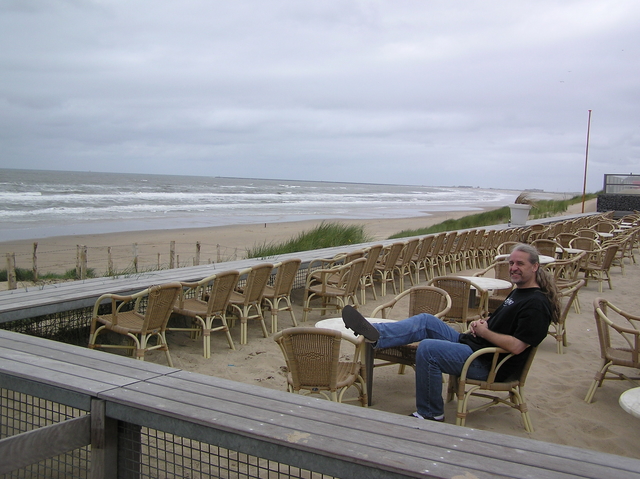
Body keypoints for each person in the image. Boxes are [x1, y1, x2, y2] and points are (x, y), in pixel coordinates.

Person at [342, 242, 560, 422]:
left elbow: (517, 345)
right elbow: (504, 323)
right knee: (426, 321)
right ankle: (377, 334)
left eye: (520, 263)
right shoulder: (519, 292)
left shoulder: (536, 304)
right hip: (474, 345)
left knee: (428, 349)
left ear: (535, 267)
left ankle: (431, 414)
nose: (513, 268)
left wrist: (485, 333)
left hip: (488, 363)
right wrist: (483, 323)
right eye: (511, 263)